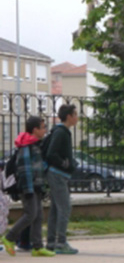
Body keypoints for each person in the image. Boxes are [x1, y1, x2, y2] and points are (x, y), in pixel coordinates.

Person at [1, 116, 53, 257]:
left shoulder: (35, 144)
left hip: (36, 185)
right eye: (43, 128)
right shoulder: (26, 146)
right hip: (28, 187)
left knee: (38, 215)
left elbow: (37, 166)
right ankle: (9, 237)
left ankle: (37, 247)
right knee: (30, 214)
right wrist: (28, 189)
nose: (45, 130)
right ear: (35, 130)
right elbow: (25, 170)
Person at [44, 104, 79, 254]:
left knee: (56, 209)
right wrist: (64, 163)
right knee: (65, 208)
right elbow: (51, 153)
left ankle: (51, 242)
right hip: (57, 174)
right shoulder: (61, 132)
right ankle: (61, 243)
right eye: (76, 114)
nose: (77, 117)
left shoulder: (62, 131)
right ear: (69, 116)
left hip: (58, 174)